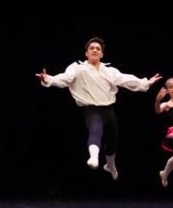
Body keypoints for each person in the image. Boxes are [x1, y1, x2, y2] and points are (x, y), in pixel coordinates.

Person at [35, 36, 162, 180]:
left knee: (112, 140)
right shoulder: (77, 68)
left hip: (109, 110)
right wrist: (49, 80)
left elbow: (127, 80)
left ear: (102, 54)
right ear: (86, 53)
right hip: (91, 109)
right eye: (92, 48)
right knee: (96, 130)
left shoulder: (109, 70)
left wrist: (146, 82)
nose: (95, 50)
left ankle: (110, 166)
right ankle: (94, 158)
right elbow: (64, 79)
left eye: (98, 49)